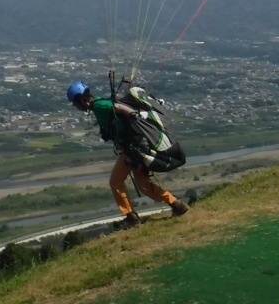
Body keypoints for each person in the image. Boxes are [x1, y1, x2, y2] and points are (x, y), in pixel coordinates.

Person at [67, 79, 189, 230]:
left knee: (115, 182)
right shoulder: (99, 103)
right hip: (135, 149)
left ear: (81, 100)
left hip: (131, 151)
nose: (76, 107)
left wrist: (132, 114)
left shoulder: (99, 105)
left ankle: (131, 217)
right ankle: (176, 205)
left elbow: (117, 107)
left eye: (75, 103)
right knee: (143, 185)